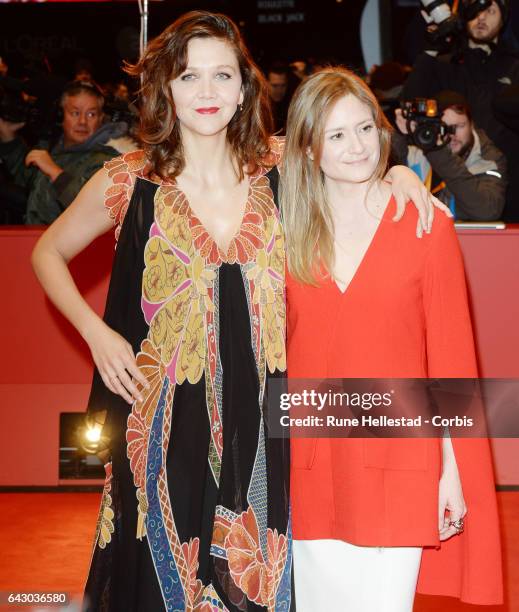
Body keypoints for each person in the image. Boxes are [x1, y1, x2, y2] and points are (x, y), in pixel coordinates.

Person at [31, 11, 443, 612]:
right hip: (162, 419)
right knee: (156, 579)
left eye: (222, 75)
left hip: (264, 416)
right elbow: (47, 253)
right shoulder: (127, 180)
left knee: (253, 576)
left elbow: (357, 169)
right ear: (165, 87)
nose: (206, 92)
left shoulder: (281, 168)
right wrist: (96, 333)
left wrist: (402, 173)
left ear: (244, 86)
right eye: (189, 76)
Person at [281, 67, 502, 610]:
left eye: (364, 129)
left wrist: (452, 471)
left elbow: (451, 363)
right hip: (308, 463)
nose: (356, 147)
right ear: (308, 148)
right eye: (335, 135)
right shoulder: (281, 228)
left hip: (403, 461)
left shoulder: (427, 225)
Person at [402, 0, 519, 221]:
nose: (481, 18)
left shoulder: (514, 65)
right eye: (475, 12)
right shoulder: (446, 63)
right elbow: (410, 103)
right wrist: (432, 49)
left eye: (490, 11)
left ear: (503, 19)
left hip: (507, 185)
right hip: (449, 178)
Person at [0, 80, 132, 224]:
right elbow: (26, 180)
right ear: (60, 116)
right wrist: (9, 138)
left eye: (91, 114)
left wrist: (56, 173)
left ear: (101, 119)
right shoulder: (54, 149)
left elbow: (95, 210)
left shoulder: (109, 163)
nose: (82, 122)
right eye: (75, 113)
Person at [394, 90, 507, 220]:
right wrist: (399, 134)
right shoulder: (416, 150)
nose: (452, 136)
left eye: (459, 126)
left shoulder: (489, 158)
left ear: (472, 125)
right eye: (444, 127)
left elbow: (487, 210)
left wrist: (437, 151)